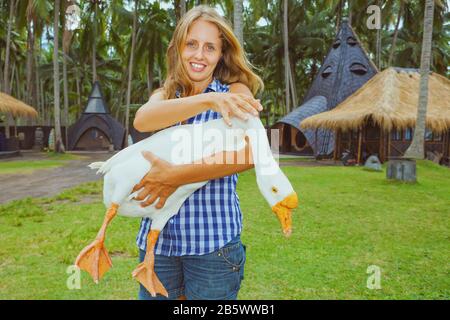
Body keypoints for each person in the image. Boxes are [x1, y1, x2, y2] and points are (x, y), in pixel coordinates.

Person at [132, 5, 264, 300]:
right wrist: (208, 101)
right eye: (191, 44)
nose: (199, 55)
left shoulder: (236, 93)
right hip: (159, 243)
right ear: (179, 47)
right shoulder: (166, 94)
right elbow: (142, 119)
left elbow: (253, 152)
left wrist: (176, 176)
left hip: (212, 245)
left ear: (221, 54)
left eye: (209, 47)